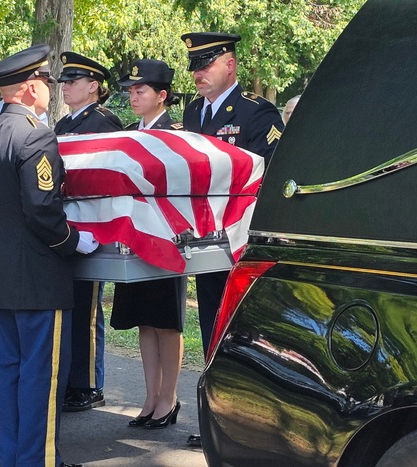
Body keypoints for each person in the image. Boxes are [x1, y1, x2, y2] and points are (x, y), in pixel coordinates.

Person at [0, 43, 96, 467]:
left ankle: (15, 458)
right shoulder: (36, 135)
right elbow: (42, 208)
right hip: (38, 276)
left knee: (10, 372)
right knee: (41, 375)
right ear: (32, 88)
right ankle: (40, 459)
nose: (50, 91)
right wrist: (73, 242)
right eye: (47, 84)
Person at [180, 31, 285, 447]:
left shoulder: (258, 114)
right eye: (194, 67)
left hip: (242, 245)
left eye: (206, 65)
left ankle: (250, 428)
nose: (198, 74)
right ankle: (213, 423)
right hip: (205, 243)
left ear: (231, 65)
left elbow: (264, 175)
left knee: (245, 336)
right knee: (210, 330)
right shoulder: (192, 114)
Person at [112, 58, 186, 429]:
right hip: (135, 239)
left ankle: (169, 398)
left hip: (167, 238)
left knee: (166, 321)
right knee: (144, 320)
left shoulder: (177, 134)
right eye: (130, 91)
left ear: (162, 96)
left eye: (140, 91)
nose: (133, 96)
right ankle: (149, 396)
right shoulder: (128, 132)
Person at [53, 51, 123, 413]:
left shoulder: (105, 123)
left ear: (94, 86)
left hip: (92, 224)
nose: (65, 87)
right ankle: (71, 378)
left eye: (73, 81)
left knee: (87, 307)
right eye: (64, 81)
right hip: (68, 222)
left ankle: (89, 383)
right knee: (71, 304)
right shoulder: (64, 125)